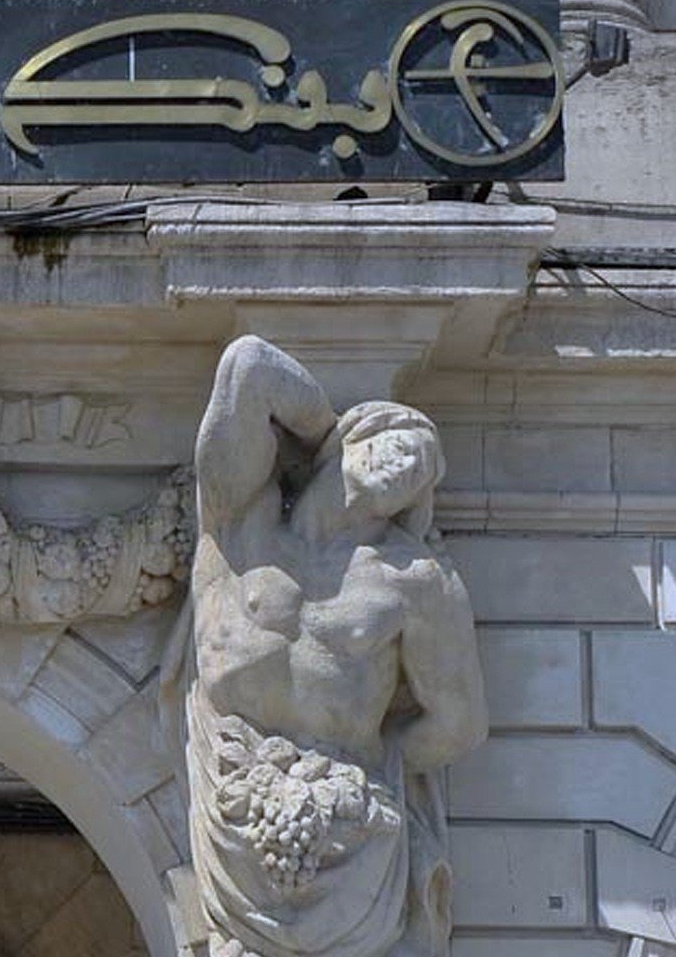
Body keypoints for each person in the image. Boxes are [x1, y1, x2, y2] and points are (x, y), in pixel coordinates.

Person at [168, 335, 487, 957]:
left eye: (421, 467)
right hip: (232, 792)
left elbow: (460, 722)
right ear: (352, 440)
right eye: (396, 442)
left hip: (347, 823)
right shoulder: (240, 520)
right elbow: (248, 365)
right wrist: (325, 432)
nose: (405, 463)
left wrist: (374, 765)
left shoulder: (415, 580)